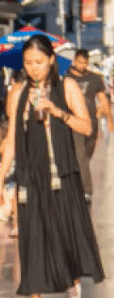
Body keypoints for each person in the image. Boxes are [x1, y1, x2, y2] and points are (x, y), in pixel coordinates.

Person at [0, 34, 104, 298]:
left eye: (39, 62)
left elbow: (86, 125)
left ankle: (72, 290)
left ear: (52, 60)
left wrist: (58, 112)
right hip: (31, 175)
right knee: (31, 236)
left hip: (63, 173)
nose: (33, 68)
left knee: (67, 231)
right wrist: (0, 179)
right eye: (28, 63)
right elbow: (13, 139)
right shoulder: (18, 92)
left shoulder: (66, 87)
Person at [64, 48, 113, 202]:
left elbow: (103, 100)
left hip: (92, 122)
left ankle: (77, 180)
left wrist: (110, 120)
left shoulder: (95, 79)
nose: (82, 66)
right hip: (75, 122)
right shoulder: (66, 78)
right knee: (80, 154)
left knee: (87, 154)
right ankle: (86, 189)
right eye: (80, 62)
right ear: (74, 60)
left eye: (85, 63)